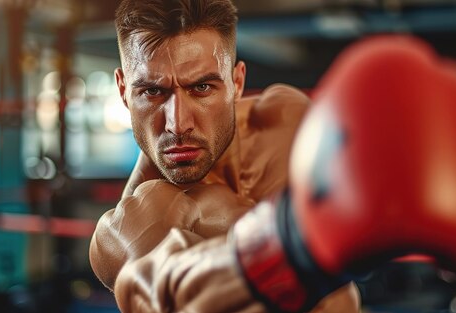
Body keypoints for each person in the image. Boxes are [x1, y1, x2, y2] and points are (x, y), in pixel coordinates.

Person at [88, 0, 360, 312]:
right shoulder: (133, 223)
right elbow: (162, 289)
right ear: (123, 90)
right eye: (152, 92)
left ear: (237, 82)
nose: (178, 124)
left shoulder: (288, 125)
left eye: (202, 87)